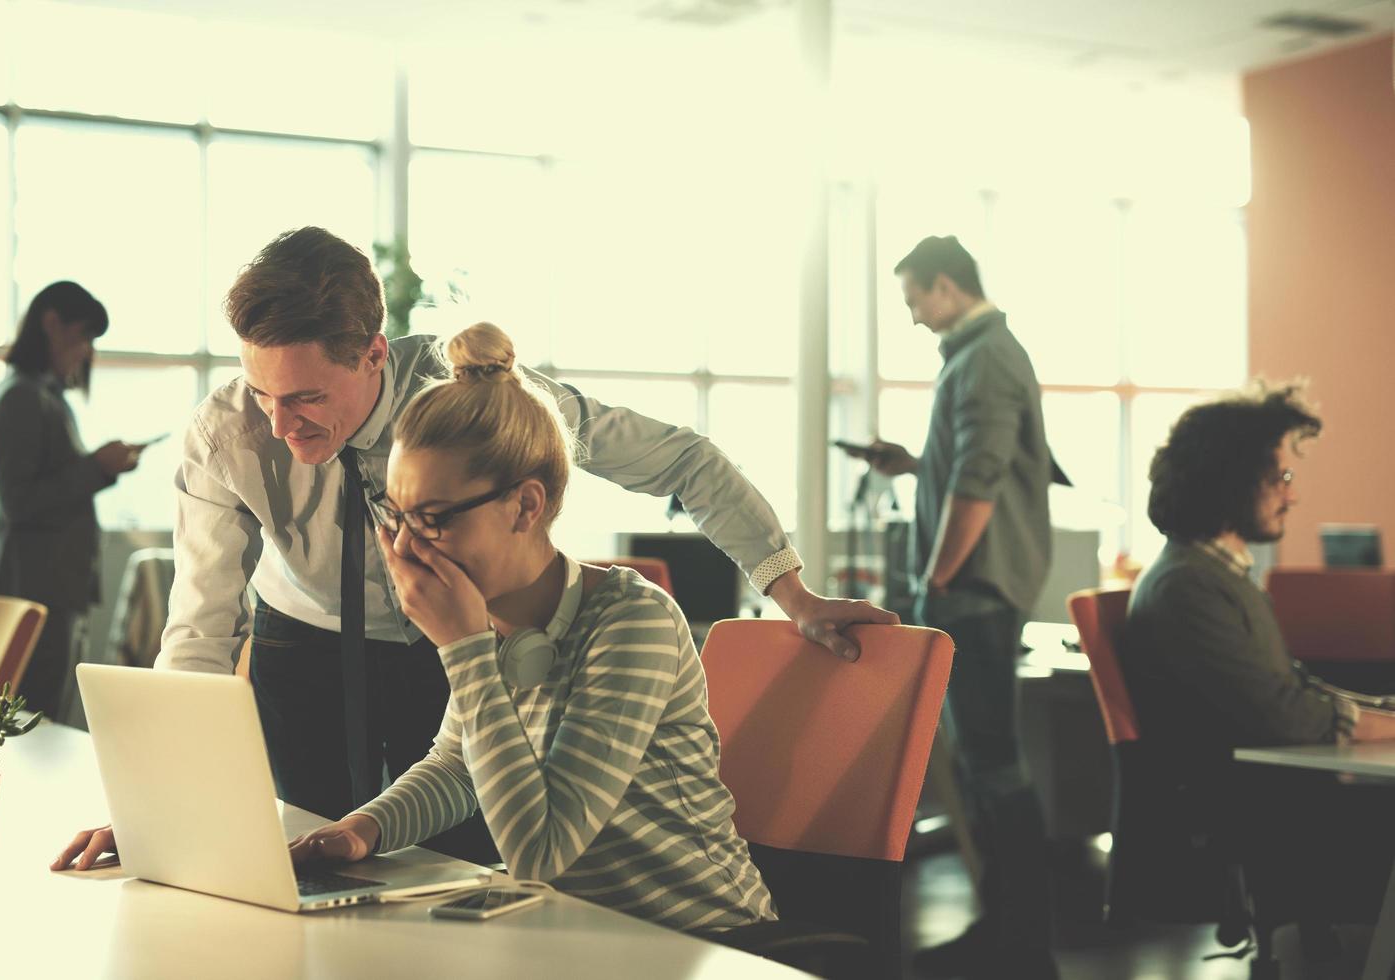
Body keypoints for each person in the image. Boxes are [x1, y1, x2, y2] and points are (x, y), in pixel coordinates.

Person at [55, 226, 895, 872]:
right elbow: (199, 626)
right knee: (304, 861)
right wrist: (155, 811)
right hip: (299, 644)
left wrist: (790, 590)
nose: (280, 425)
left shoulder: (473, 405)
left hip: (452, 649)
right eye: (264, 394)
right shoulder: (226, 432)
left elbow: (680, 458)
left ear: (375, 353)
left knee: (466, 869)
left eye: (307, 397)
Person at [282, 321, 778, 933]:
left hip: (709, 940)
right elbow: (456, 768)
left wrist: (463, 650)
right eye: (399, 516)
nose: (408, 546)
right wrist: (360, 831)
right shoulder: (489, 618)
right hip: (583, 935)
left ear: (525, 505)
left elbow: (540, 853)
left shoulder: (631, 620)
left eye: (433, 518)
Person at [843, 236, 1056, 979]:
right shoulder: (980, 358)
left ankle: (1021, 934)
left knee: (993, 763)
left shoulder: (985, 360)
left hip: (974, 592)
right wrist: (909, 463)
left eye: (913, 301)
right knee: (984, 761)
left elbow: (980, 478)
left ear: (944, 286)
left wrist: (934, 582)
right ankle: (1010, 925)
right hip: (978, 587)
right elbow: (966, 464)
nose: (911, 318)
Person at [1122, 383, 1395, 923]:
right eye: (1278, 478)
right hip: (1256, 809)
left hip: (1270, 792)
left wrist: (1385, 713)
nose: (1291, 495)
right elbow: (1279, 713)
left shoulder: (1217, 575)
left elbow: (1288, 690)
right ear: (1231, 481)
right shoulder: (1188, 586)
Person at [0, 281, 145, 722]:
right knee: (35, 723)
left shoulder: (41, 396)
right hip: (36, 590)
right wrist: (97, 467)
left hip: (46, 588)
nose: (87, 351)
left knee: (42, 718)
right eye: (85, 335)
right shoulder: (23, 398)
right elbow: (19, 501)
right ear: (52, 324)